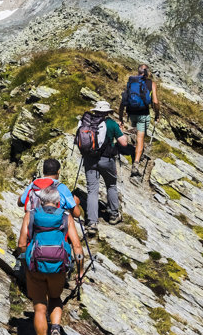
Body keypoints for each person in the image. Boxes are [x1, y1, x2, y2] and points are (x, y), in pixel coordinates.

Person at [17, 183, 84, 335]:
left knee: (39, 306)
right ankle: (55, 327)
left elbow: (22, 244)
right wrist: (80, 271)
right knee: (55, 298)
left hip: (36, 267)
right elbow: (77, 247)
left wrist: (25, 263)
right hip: (58, 267)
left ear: (40, 200)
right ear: (57, 202)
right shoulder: (65, 217)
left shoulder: (30, 215)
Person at [75, 100, 132, 234]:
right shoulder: (111, 124)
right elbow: (123, 143)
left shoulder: (86, 122)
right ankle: (113, 215)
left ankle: (92, 223)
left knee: (92, 191)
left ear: (95, 111)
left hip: (90, 159)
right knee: (111, 185)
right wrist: (121, 132)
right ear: (107, 112)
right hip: (107, 160)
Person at [119, 63, 160, 180]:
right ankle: (136, 163)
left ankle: (126, 144)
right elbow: (155, 102)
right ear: (147, 73)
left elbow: (124, 100)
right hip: (143, 113)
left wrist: (121, 116)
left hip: (131, 113)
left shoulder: (131, 82)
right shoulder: (151, 83)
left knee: (134, 130)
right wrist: (157, 115)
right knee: (140, 138)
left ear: (138, 72)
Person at [17, 157, 82, 220]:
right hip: (54, 226)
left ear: (43, 171)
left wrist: (24, 194)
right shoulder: (62, 187)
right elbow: (77, 214)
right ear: (58, 172)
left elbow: (20, 203)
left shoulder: (34, 184)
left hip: (34, 224)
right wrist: (76, 203)